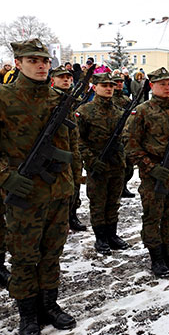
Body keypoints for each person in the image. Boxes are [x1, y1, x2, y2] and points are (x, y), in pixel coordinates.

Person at [0, 39, 80, 333]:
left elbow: (71, 146)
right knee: (24, 256)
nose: (41, 65)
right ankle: (28, 312)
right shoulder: (4, 98)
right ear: (18, 63)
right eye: (33, 60)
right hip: (24, 193)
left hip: (58, 191)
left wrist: (73, 185)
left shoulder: (58, 98)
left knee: (52, 253)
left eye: (45, 60)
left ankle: (49, 304)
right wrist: (5, 177)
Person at [126, 67, 169, 278]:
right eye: (162, 84)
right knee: (153, 217)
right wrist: (150, 167)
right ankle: (156, 257)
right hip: (154, 175)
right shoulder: (142, 111)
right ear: (152, 86)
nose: (167, 87)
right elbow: (129, 144)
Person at [77, 73, 130, 255]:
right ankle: (100, 238)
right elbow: (78, 140)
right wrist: (90, 160)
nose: (108, 88)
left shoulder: (119, 111)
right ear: (95, 87)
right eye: (104, 85)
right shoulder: (84, 111)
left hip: (116, 164)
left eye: (111, 85)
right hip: (97, 165)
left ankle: (112, 235)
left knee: (114, 201)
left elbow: (127, 136)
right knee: (98, 203)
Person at [51, 66, 88, 232]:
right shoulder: (51, 99)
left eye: (68, 77)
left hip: (73, 149)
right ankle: (61, 219)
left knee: (76, 184)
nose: (66, 79)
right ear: (53, 80)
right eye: (61, 77)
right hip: (57, 152)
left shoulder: (71, 98)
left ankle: (72, 215)